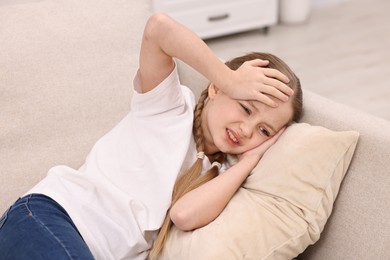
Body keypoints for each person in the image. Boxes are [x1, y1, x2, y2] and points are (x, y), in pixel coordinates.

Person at [0, 13, 302, 260]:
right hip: (47, 217)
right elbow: (158, 29)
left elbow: (183, 215)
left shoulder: (221, 174)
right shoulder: (170, 108)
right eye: (246, 107)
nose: (247, 130)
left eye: (265, 130)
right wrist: (231, 79)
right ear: (216, 89)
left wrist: (249, 162)